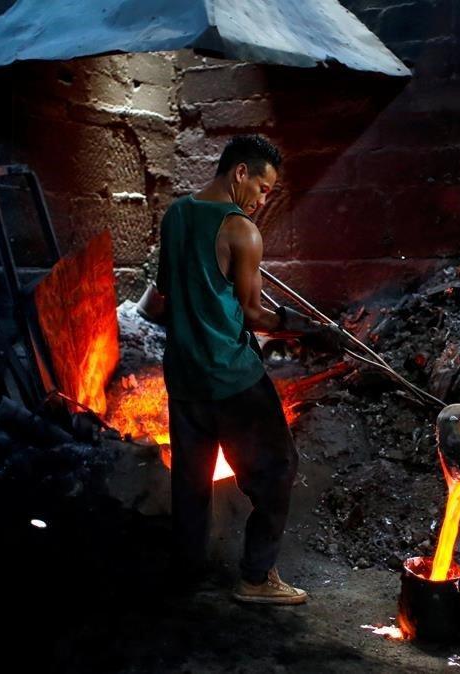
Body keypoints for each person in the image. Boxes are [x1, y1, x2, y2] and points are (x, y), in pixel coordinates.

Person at [144, 134, 334, 605]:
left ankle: (186, 576)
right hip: (231, 377)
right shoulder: (241, 230)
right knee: (278, 469)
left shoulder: (176, 215)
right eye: (264, 188)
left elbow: (164, 294)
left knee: (191, 483)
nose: (262, 200)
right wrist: (305, 328)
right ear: (240, 173)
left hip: (184, 378)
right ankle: (255, 578)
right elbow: (254, 314)